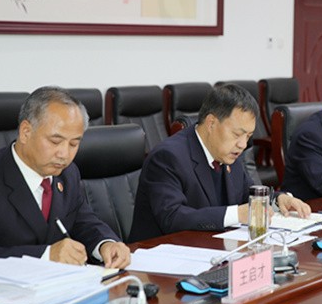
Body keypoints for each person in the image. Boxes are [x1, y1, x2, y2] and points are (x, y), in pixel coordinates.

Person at [0, 87, 131, 268]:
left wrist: (105, 243)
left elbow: (83, 221)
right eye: (55, 141)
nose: (64, 154)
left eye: (74, 144)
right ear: (26, 132)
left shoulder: (68, 173)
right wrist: (46, 255)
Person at [129, 83, 311, 242]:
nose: (243, 144)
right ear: (211, 123)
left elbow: (247, 193)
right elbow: (172, 217)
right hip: (160, 258)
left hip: (210, 250)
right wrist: (237, 214)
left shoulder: (227, 153)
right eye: (237, 134)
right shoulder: (168, 157)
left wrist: (278, 200)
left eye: (248, 136)